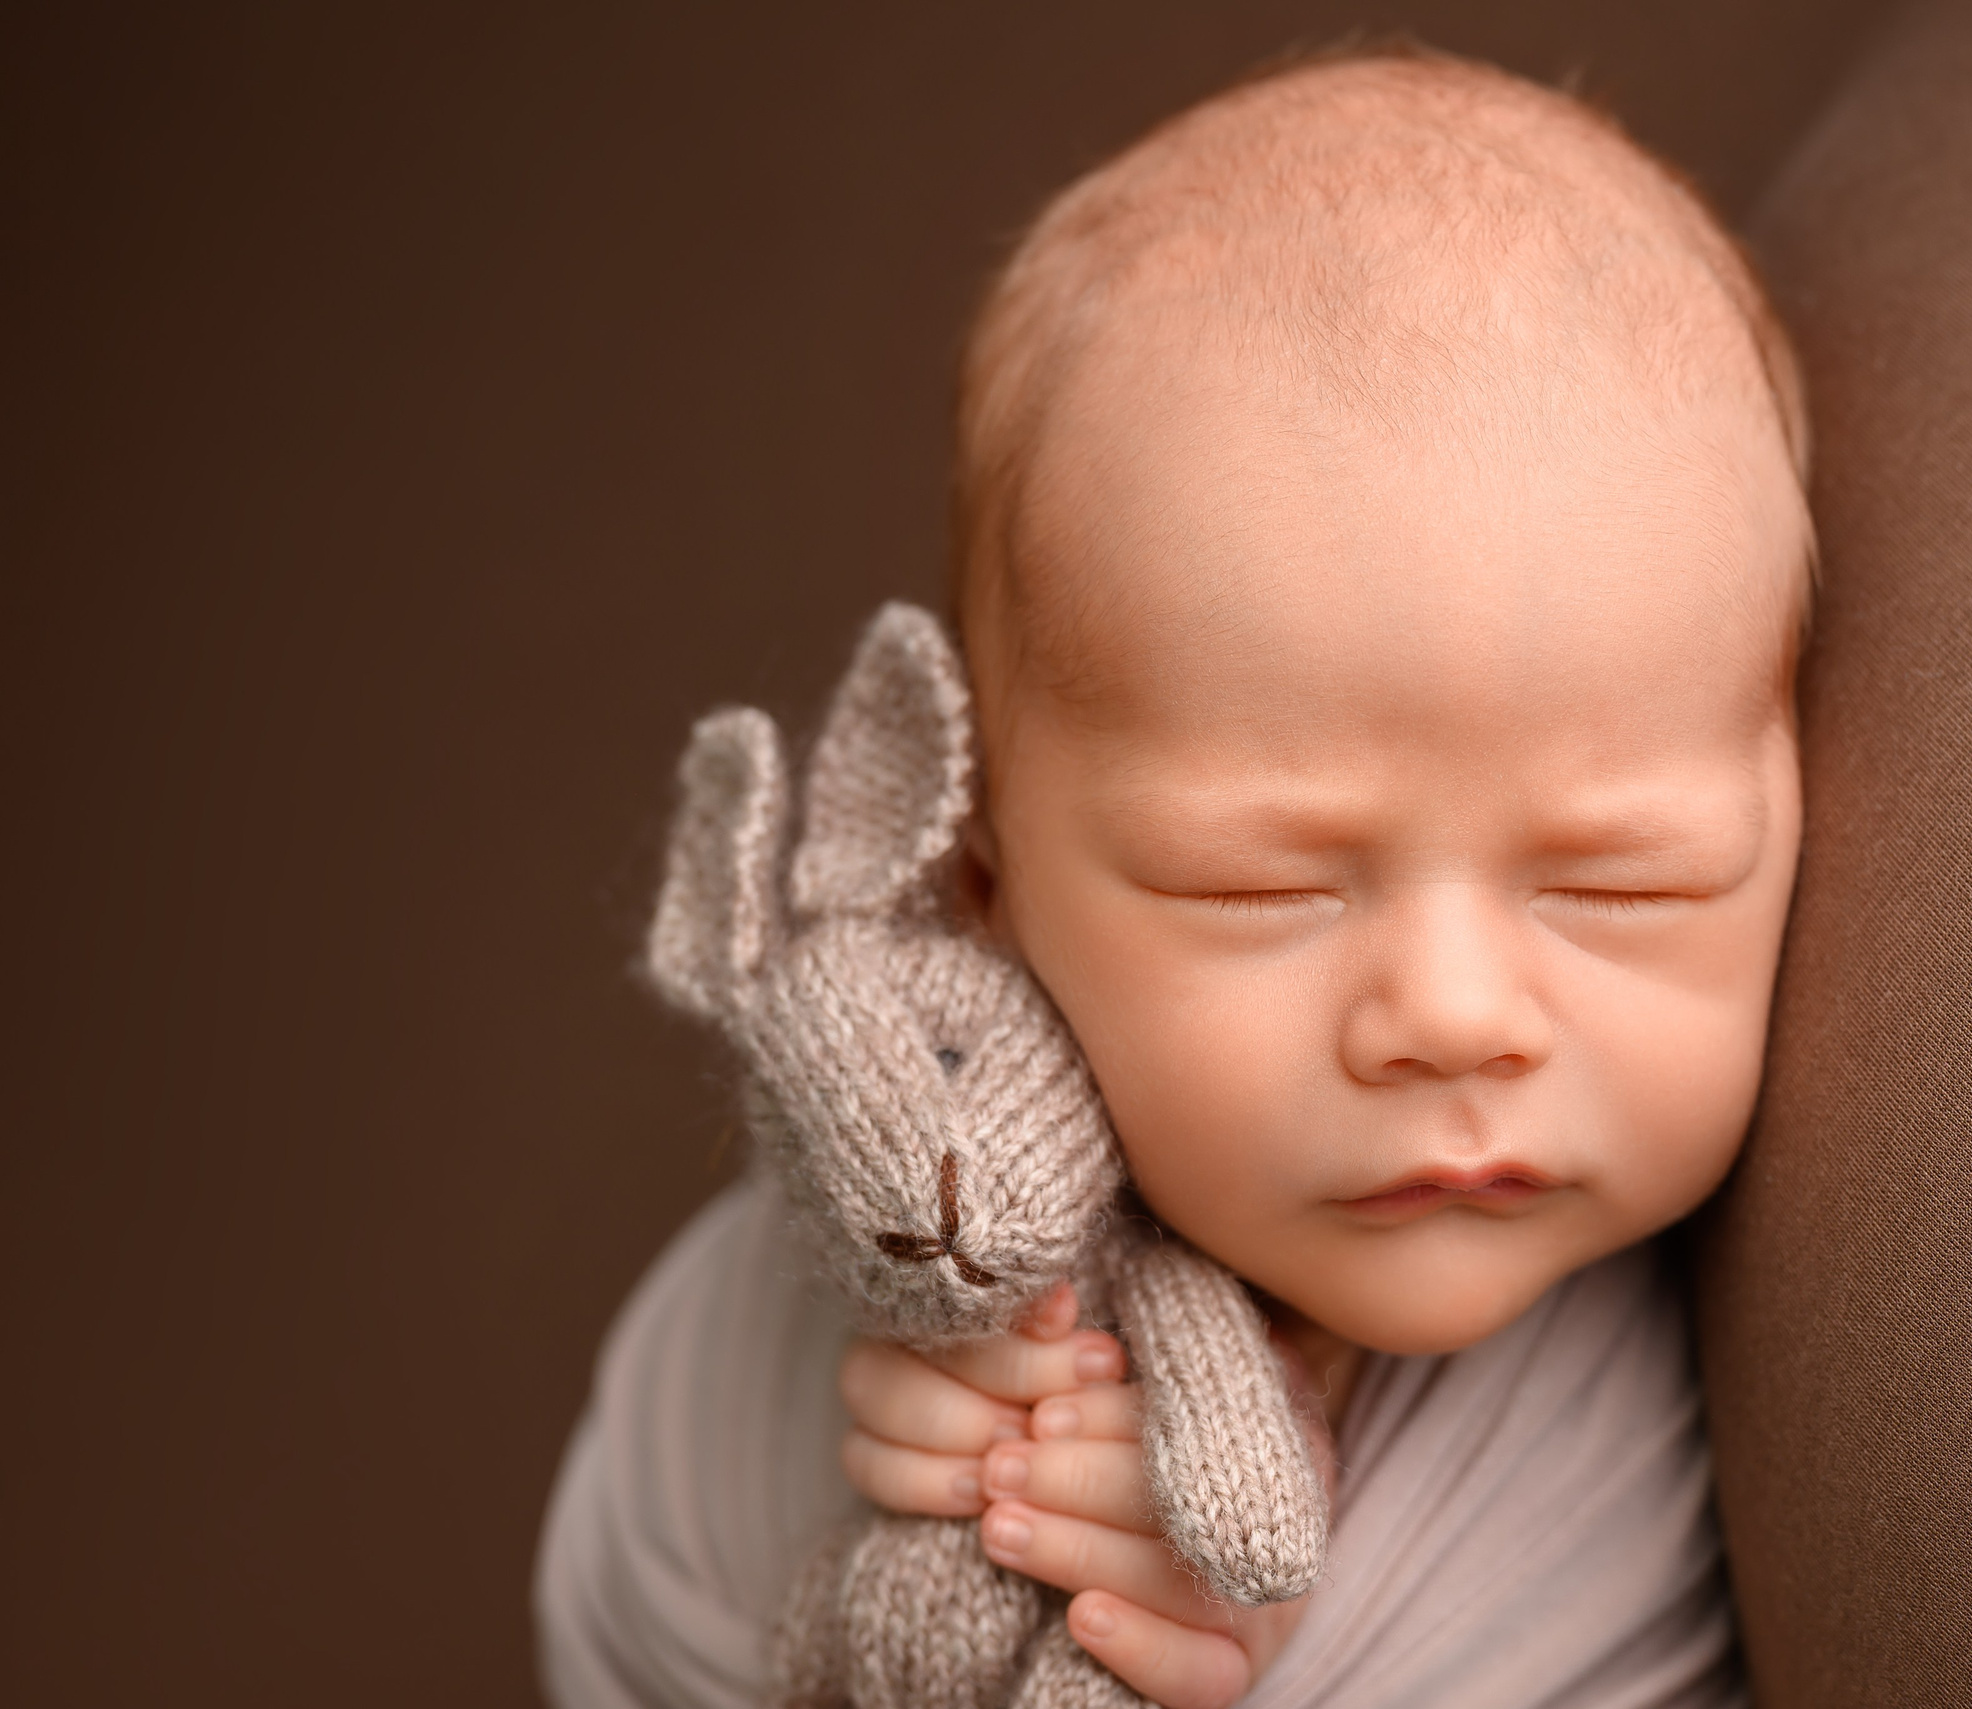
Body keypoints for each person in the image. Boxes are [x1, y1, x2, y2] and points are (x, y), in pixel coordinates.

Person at [537, 43, 1812, 1709]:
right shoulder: (840, 1303)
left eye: (1624, 884)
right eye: (1260, 886)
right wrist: (861, 1525)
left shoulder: (1756, 1393)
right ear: (979, 884)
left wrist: (1265, 1625)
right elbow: (623, 1598)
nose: (1450, 1014)